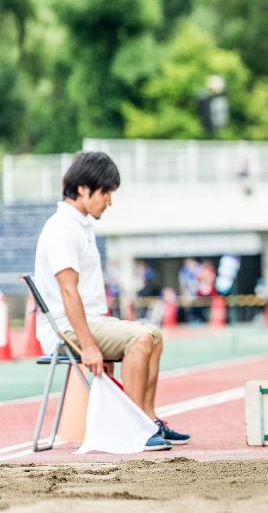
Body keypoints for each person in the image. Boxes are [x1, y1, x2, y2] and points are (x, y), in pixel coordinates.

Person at [34, 151, 189, 451]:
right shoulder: (62, 229)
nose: (109, 201)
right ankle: (131, 429)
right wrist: (89, 345)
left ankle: (147, 421)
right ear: (83, 189)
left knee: (154, 336)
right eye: (105, 192)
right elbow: (68, 292)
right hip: (67, 329)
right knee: (140, 339)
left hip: (89, 322)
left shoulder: (80, 226)